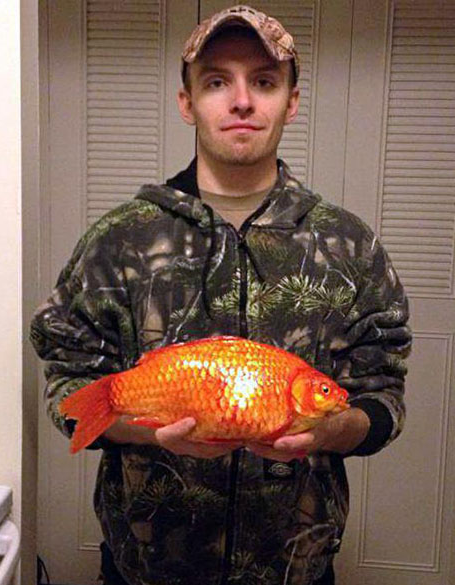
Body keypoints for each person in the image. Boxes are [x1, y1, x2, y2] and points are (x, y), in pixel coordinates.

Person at [30, 5, 412, 585]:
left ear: (292, 100)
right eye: (216, 81)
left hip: (297, 571)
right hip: (144, 570)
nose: (241, 101)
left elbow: (383, 395)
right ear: (187, 102)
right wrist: (146, 427)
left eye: (263, 81)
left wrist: (331, 429)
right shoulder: (119, 239)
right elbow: (68, 385)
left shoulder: (349, 244)